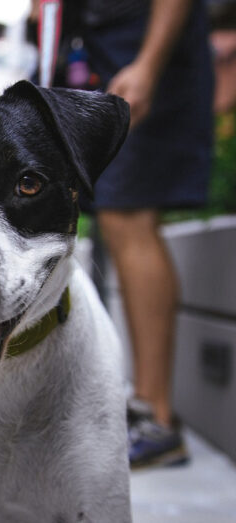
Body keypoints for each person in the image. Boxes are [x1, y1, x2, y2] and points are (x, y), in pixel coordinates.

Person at [80, 0, 214, 468]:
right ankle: (143, 412)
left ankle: (155, 419)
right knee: (114, 214)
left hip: (145, 52)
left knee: (129, 213)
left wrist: (149, 65)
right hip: (110, 50)